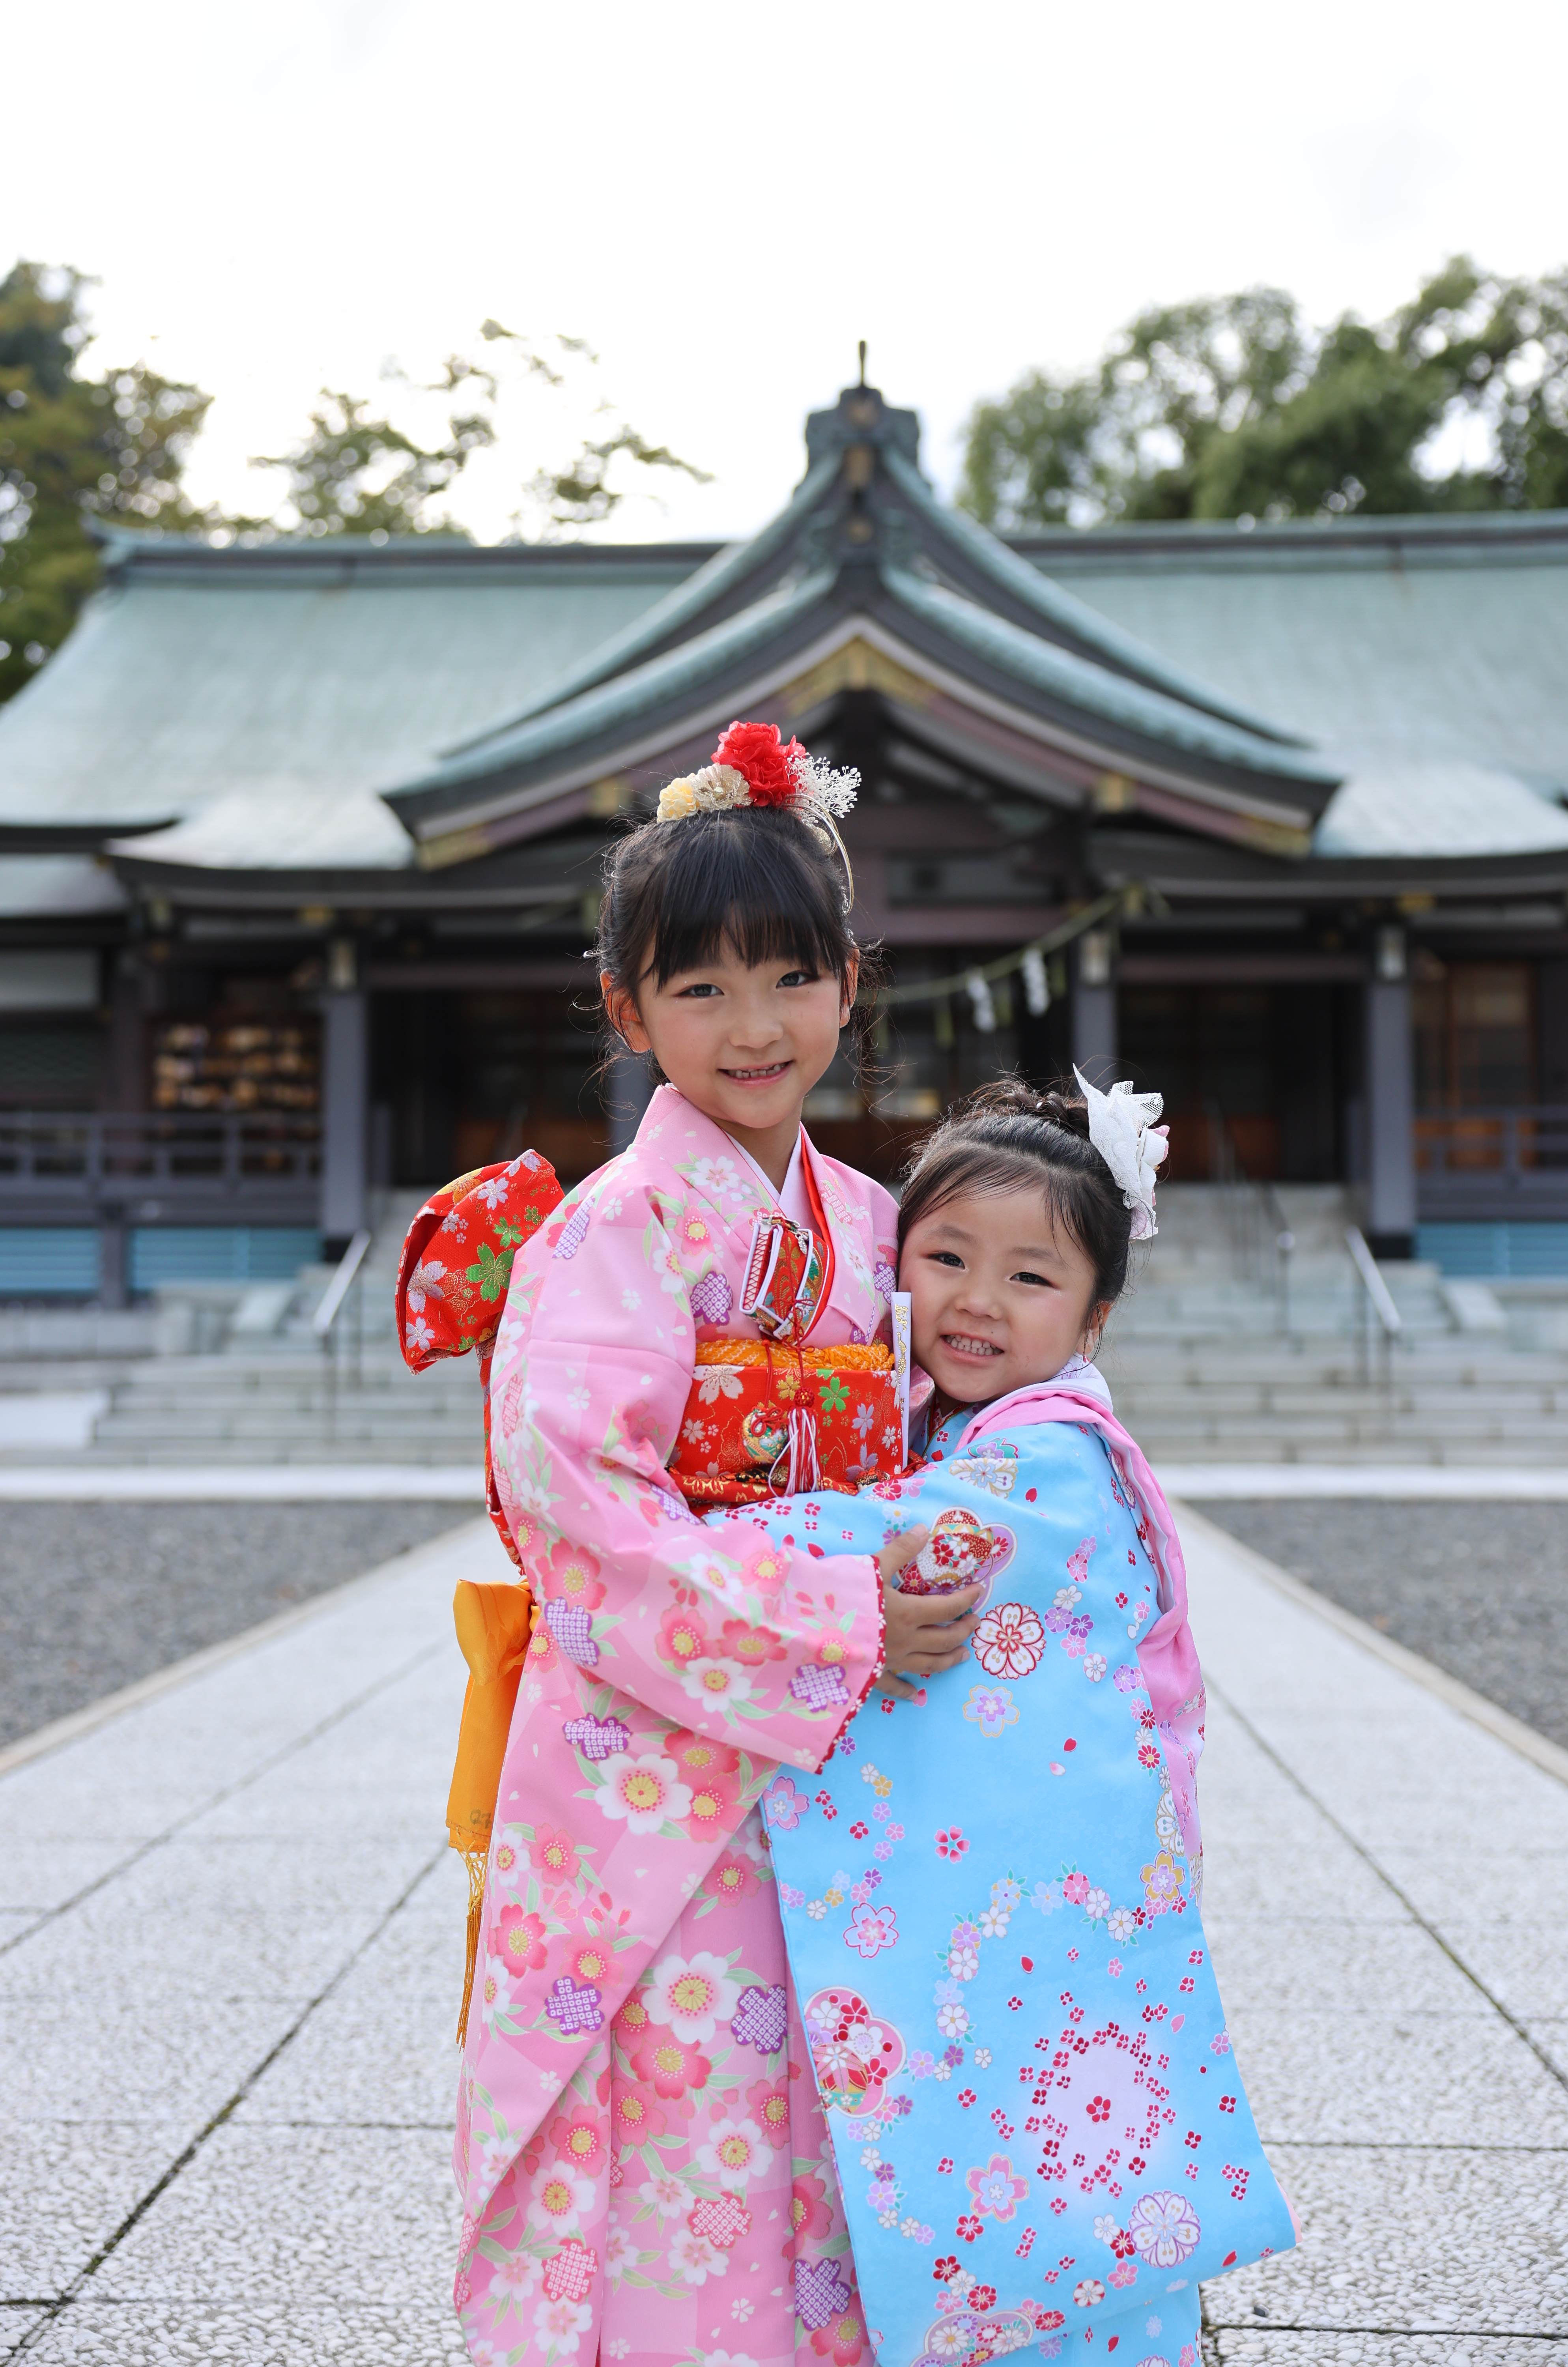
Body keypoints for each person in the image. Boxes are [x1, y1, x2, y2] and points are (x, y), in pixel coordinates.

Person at [448, 722, 970, 2367]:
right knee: (685, 2131)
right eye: (700, 991)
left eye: (790, 979)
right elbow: (584, 1514)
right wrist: (834, 1607)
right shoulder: (616, 1230)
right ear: (628, 1009)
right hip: (652, 1763)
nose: (755, 1030)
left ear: (849, 981)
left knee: (834, 2106)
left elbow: (954, 1441)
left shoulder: (877, 1227)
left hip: (841, 1743)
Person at [730, 1077, 1298, 2367]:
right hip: (1025, 1901)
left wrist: (699, 1546)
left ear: (1094, 1315)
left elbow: (912, 1544)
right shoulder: (948, 1427)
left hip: (1059, 1909)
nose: (977, 1301)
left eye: (1031, 1279)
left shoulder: (1050, 1456)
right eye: (946, 1258)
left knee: (1056, 2174)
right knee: (1005, 2158)